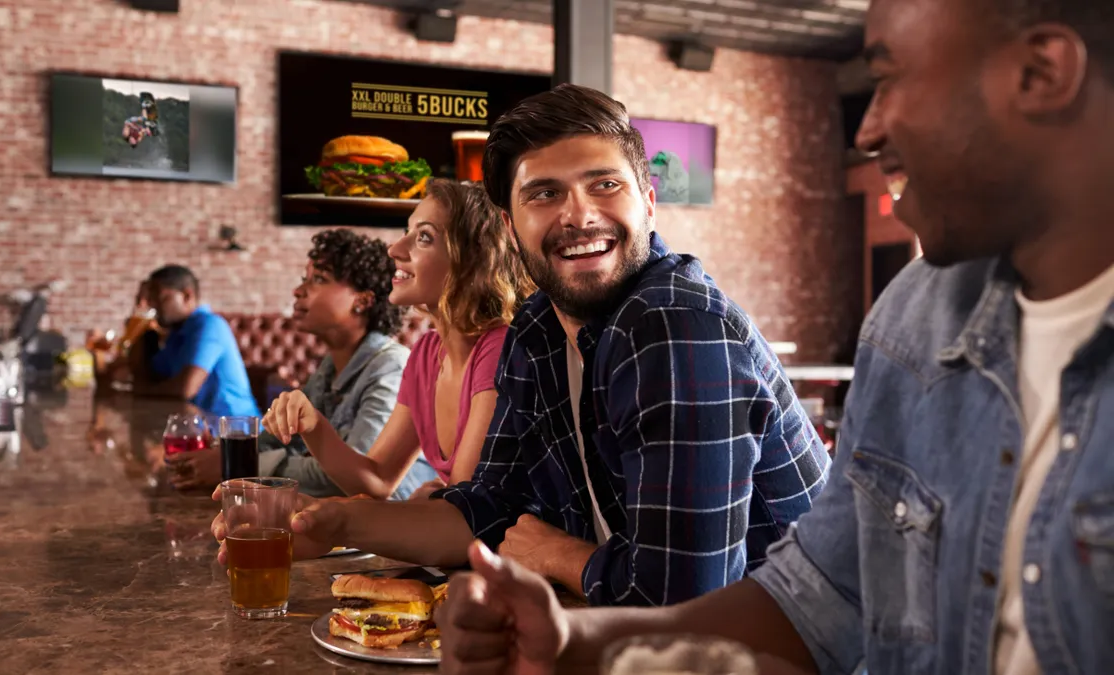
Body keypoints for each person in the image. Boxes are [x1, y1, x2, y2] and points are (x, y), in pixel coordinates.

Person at [434, 0, 1114, 671]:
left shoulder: (673, 319)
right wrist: (569, 641)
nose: (869, 130)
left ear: (1041, 75)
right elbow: (817, 598)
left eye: (888, 78)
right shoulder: (914, 313)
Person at [215, 85, 828, 607]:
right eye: (544, 194)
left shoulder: (672, 324)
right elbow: (492, 509)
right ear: (510, 225)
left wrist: (562, 556)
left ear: (648, 200)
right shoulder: (537, 329)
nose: (579, 215)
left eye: (605, 184)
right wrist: (341, 522)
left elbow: (686, 597)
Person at [263, 180, 532, 499]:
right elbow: (376, 480)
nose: (395, 249)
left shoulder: (498, 349)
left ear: (473, 262)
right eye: (408, 231)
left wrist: (430, 502)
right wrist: (314, 427)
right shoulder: (427, 354)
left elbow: (466, 512)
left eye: (423, 237)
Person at [168, 229, 437, 499]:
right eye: (304, 280)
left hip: (389, 525)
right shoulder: (332, 364)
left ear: (362, 301)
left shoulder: (391, 367)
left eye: (318, 279)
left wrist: (238, 466)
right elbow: (284, 438)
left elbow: (350, 480)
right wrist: (224, 456)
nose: (298, 291)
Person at [130, 264, 259, 418]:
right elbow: (144, 375)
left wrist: (142, 390)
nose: (152, 304)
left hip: (238, 431)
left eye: (159, 296)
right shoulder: (176, 334)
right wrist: (139, 314)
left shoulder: (209, 325)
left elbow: (185, 389)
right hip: (200, 426)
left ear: (187, 296)